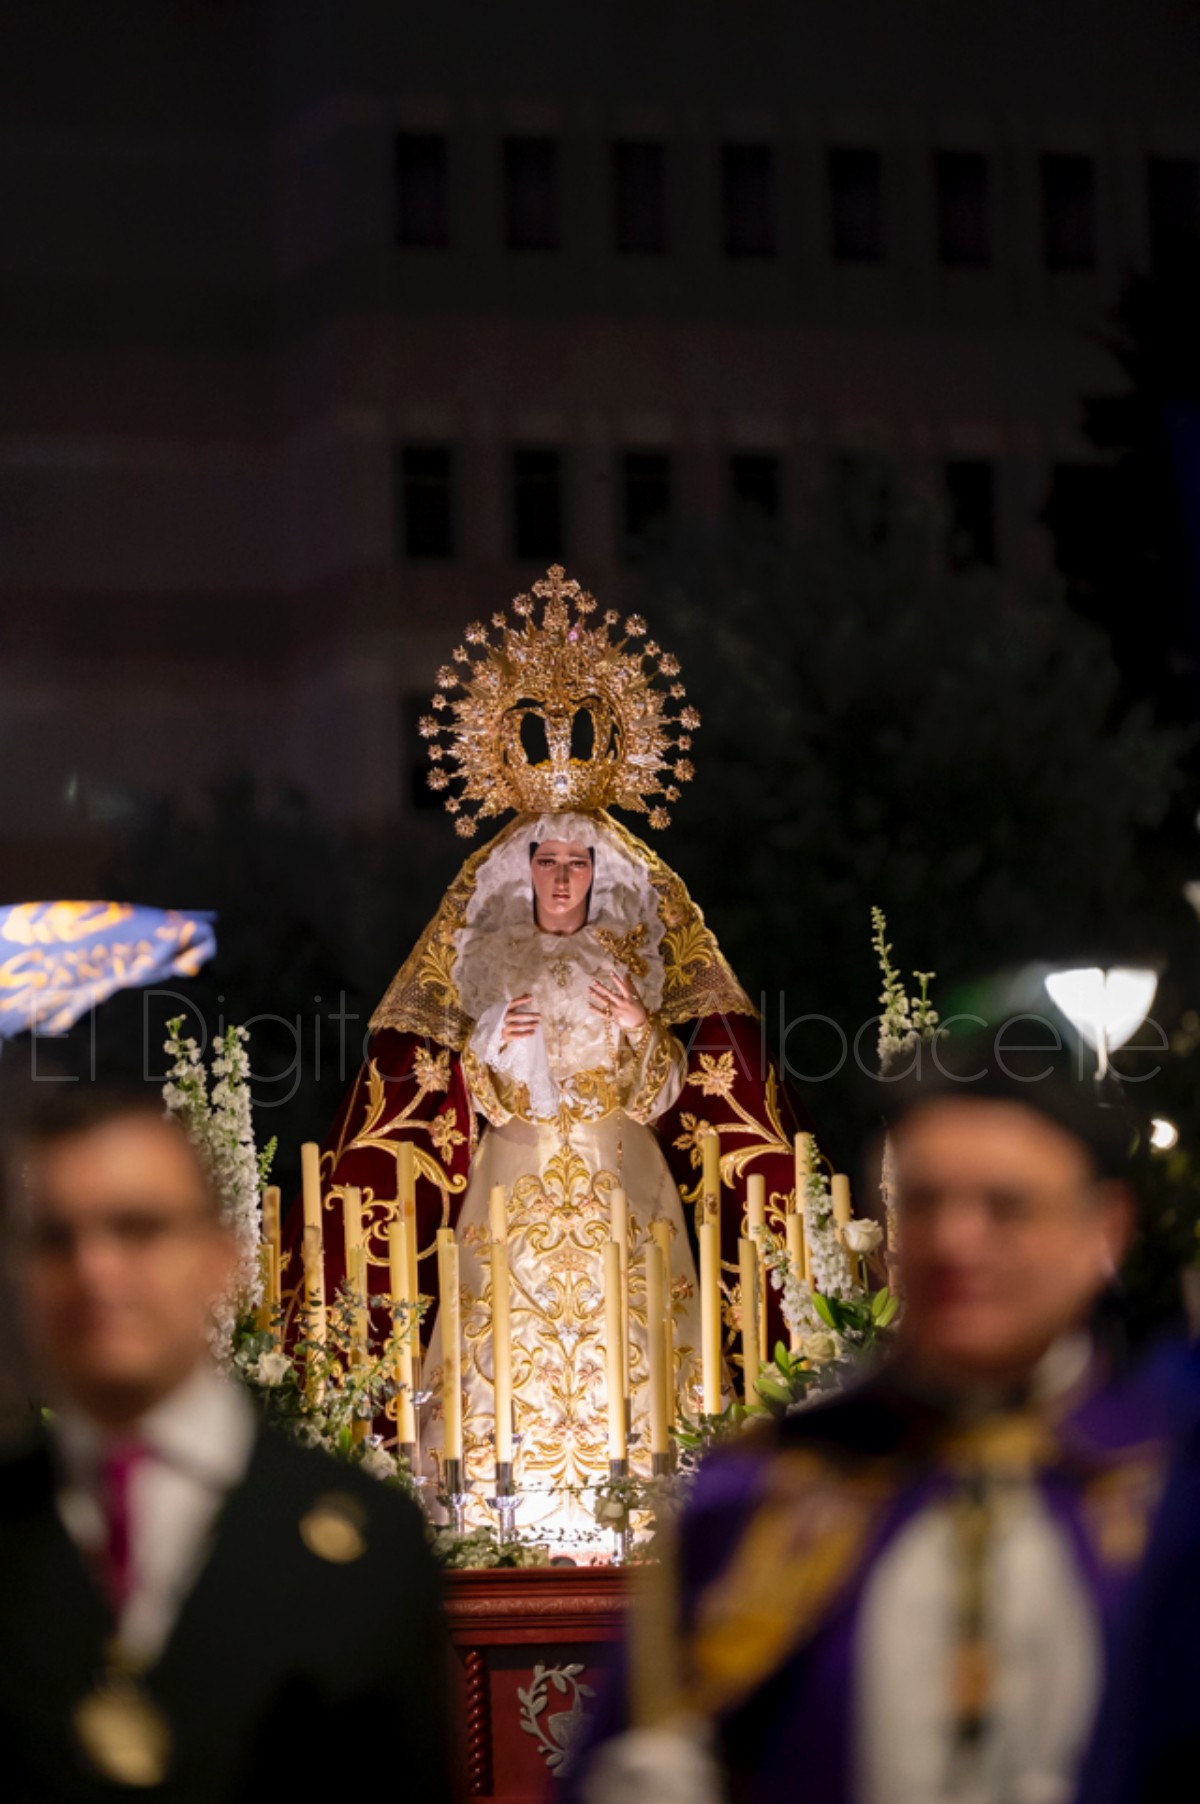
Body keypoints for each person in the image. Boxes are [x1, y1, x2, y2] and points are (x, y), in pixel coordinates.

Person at [295, 567, 810, 1548]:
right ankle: (502, 1522)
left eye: (578, 862)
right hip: (515, 1183)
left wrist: (643, 1032)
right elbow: (454, 1102)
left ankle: (648, 1517)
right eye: (548, 860)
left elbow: (675, 1095)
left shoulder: (639, 958)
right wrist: (490, 1046)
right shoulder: (483, 963)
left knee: (639, 1338)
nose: (563, 877)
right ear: (523, 870)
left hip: (625, 1181)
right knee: (501, 1337)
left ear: (599, 873)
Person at [571, 1037, 1173, 1804]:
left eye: (1006, 1207)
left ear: (1104, 1232)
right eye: (923, 1203)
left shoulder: (1167, 1487)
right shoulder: (759, 1495)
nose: (955, 1241)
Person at [0, 1088, 458, 1804]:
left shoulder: (373, 1544)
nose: (96, 1270)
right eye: (57, 1239)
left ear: (222, 1257)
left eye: (139, 1229)